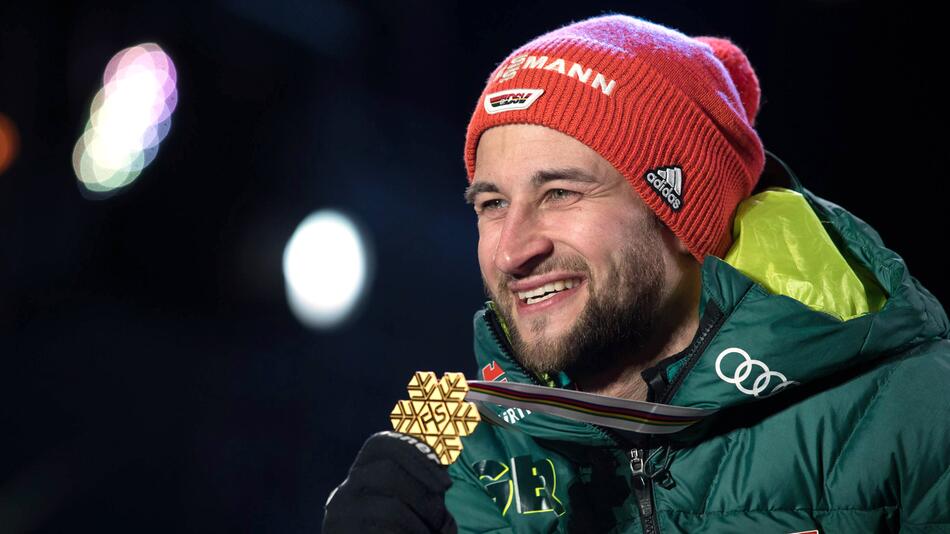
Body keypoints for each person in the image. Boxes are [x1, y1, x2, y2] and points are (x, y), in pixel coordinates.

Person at [323, 13, 950, 533]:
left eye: (561, 193)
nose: (512, 251)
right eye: (492, 204)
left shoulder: (918, 409)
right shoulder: (453, 447)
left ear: (683, 214)